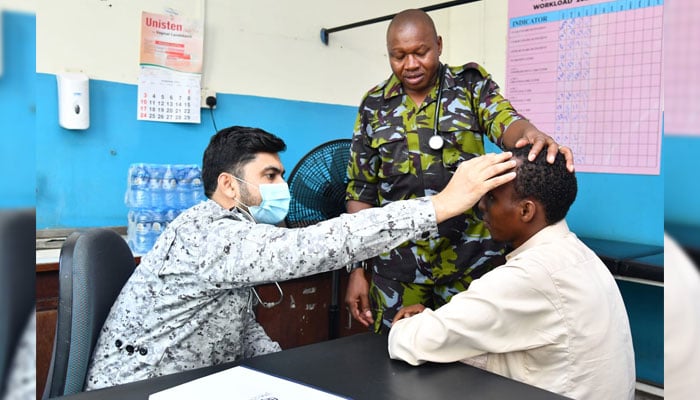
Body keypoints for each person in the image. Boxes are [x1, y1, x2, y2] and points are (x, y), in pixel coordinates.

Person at [85, 126, 517, 389]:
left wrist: (281, 371)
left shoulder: (229, 232)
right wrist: (438, 206)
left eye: (281, 175)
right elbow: (319, 244)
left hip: (185, 380)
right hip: (138, 389)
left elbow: (234, 325)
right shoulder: (209, 235)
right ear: (229, 186)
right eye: (269, 176)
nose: (280, 187)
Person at [345, 9, 575, 333]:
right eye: (398, 56)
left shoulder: (469, 87)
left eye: (420, 52)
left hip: (471, 261)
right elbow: (360, 191)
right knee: (395, 356)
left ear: (438, 45)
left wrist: (530, 134)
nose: (410, 65)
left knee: (477, 362)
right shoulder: (374, 105)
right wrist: (357, 268)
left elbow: (506, 121)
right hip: (398, 267)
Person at [388, 145, 635, 399]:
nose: (481, 205)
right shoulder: (580, 254)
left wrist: (410, 324)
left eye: (492, 197)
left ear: (526, 211)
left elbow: (416, 342)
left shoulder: (528, 276)